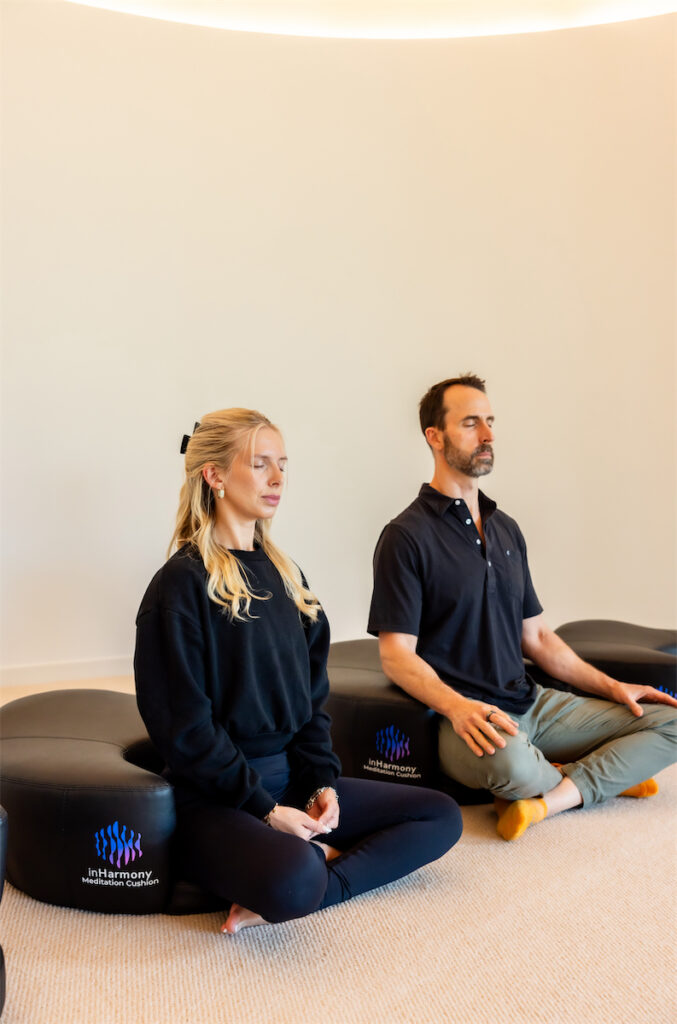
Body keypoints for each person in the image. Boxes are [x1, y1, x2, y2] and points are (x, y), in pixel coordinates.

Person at [135, 408, 462, 934]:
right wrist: (267, 812)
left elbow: (312, 704)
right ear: (214, 475)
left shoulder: (290, 578)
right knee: (291, 877)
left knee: (440, 816)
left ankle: (318, 878)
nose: (277, 478)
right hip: (217, 798)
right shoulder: (179, 586)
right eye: (260, 464)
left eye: (282, 464)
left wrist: (320, 786)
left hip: (291, 780)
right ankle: (307, 872)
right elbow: (185, 732)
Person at [368, 375, 677, 841]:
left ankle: (551, 796)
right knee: (511, 761)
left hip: (534, 703)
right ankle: (596, 779)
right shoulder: (406, 537)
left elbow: (538, 639)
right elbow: (396, 654)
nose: (488, 435)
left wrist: (615, 688)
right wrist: (458, 708)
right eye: (471, 423)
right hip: (470, 718)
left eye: (490, 422)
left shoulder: (506, 528)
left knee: (670, 720)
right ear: (435, 437)